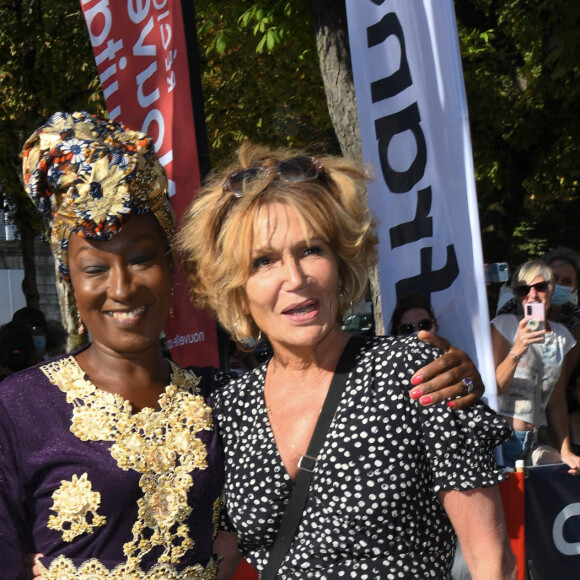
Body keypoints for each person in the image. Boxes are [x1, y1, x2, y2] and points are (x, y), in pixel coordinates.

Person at [178, 143, 516, 578]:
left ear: (340, 262)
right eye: (264, 261)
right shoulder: (231, 406)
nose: (296, 279)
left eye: (311, 250)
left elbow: (492, 561)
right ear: (237, 288)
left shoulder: (413, 372)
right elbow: (221, 553)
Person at [0, 111, 225, 578]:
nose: (122, 289)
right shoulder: (17, 407)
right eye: (96, 269)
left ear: (171, 267)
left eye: (141, 259)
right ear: (70, 280)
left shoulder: (226, 397)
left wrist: (410, 366)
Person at [491, 260, 580, 472]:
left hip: (534, 442)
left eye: (540, 287)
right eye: (523, 290)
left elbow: (557, 401)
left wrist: (566, 450)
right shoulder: (504, 325)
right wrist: (517, 349)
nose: (532, 295)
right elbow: (493, 388)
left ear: (551, 289)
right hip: (502, 440)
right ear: (517, 295)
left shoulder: (561, 336)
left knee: (565, 471)